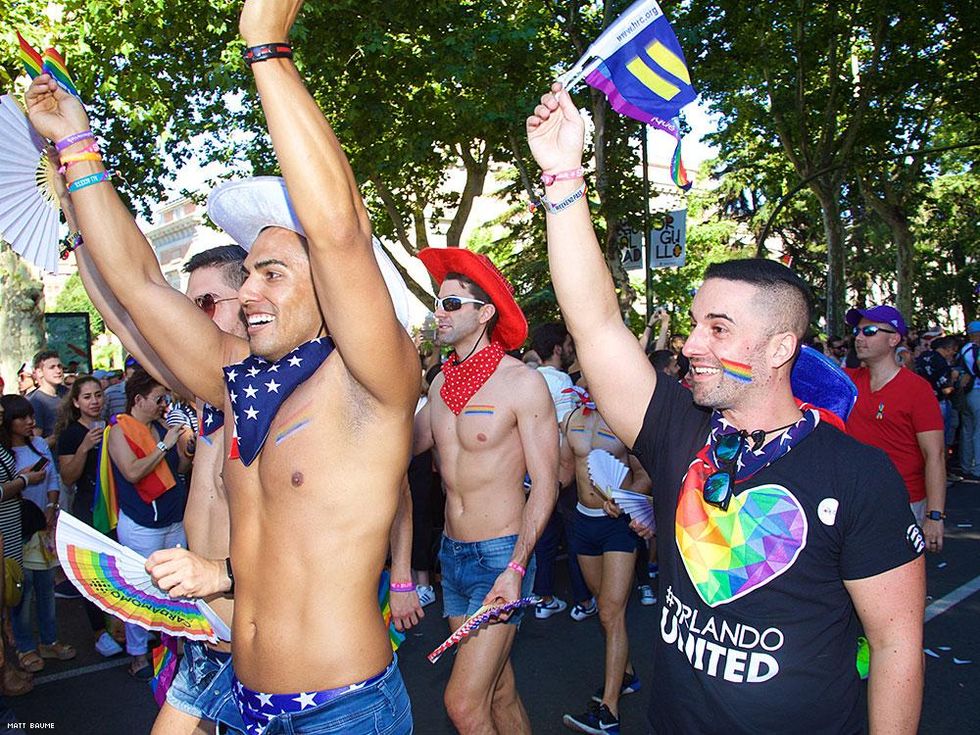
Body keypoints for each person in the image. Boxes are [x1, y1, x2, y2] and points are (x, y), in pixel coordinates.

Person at [27, 1, 418, 730]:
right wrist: (76, 144)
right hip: (242, 702)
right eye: (249, 274)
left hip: (343, 712)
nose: (246, 292)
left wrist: (266, 49)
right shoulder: (238, 379)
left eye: (271, 272)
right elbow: (138, 286)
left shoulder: (373, 381)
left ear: (330, 292)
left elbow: (338, 232)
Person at [527, 83, 925, 733]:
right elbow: (596, 323)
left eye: (717, 327)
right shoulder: (679, 429)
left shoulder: (858, 475)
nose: (689, 344)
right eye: (693, 324)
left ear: (778, 347)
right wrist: (563, 174)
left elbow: (896, 644)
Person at [412, 247, 558, 734]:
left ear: (485, 313)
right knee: (497, 691)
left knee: (462, 704)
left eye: (452, 304)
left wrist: (518, 566)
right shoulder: (438, 386)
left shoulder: (522, 382)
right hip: (451, 557)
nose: (440, 313)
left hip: (501, 558)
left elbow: (546, 485)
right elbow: (400, 447)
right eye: (439, 302)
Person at [559, 382, 648, 735]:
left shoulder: (625, 420)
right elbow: (565, 471)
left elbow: (645, 474)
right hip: (583, 523)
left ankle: (609, 711)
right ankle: (626, 675)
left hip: (618, 526)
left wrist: (626, 495)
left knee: (612, 611)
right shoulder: (571, 419)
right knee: (603, 606)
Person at [106, 369, 190, 679]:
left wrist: (185, 446)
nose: (163, 405)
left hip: (173, 519)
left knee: (177, 587)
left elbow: (178, 469)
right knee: (140, 590)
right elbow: (132, 472)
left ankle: (176, 645)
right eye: (159, 399)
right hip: (143, 525)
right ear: (138, 399)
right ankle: (139, 655)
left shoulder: (159, 427)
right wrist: (166, 444)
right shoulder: (118, 431)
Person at [843, 305, 946, 550]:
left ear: (894, 339)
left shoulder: (917, 389)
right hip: (853, 502)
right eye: (856, 331)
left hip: (904, 503)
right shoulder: (846, 382)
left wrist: (934, 516)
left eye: (869, 331)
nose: (858, 337)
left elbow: (935, 455)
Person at [0, 396, 75, 674]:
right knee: (21, 589)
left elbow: (53, 477)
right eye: (22, 417)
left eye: (31, 415)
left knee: (45, 587)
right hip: (13, 530)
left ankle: (49, 640)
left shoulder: (40, 444)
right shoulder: (4, 453)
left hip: (42, 525)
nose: (30, 421)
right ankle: (25, 647)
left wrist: (52, 506)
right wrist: (23, 480)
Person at [54, 375, 123, 659]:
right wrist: (84, 447)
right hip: (87, 510)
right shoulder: (70, 434)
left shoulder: (114, 427)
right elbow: (68, 478)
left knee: (117, 571)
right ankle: (99, 632)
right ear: (76, 402)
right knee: (93, 573)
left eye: (98, 395)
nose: (94, 401)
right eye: (87, 397)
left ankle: (119, 627)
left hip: (116, 510)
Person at [27, 350, 67, 449]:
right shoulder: (36, 401)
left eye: (59, 366)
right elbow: (37, 442)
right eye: (52, 367)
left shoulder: (67, 393)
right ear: (39, 372)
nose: (58, 371)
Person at [957, 321, 980, 480]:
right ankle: (977, 467)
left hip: (966, 392)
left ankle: (966, 464)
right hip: (977, 391)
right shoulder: (975, 350)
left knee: (967, 429)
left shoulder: (963, 350)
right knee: (978, 430)